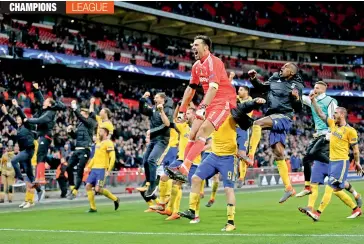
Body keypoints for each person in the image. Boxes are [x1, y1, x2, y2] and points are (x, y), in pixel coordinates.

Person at [179, 97, 266, 231]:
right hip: (213, 156)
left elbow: (244, 111)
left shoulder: (233, 115)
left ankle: (231, 222)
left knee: (228, 189)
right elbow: (200, 111)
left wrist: (254, 102)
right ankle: (192, 210)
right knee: (195, 178)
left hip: (228, 158)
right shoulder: (213, 115)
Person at [167, 35, 236, 183]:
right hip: (209, 101)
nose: (193, 47)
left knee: (203, 132)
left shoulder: (214, 62)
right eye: (193, 45)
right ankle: (182, 167)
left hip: (223, 102)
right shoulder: (196, 66)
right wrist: (182, 110)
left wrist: (203, 107)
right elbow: (191, 88)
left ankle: (184, 169)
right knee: (192, 134)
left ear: (206, 47)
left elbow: (213, 87)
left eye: (196, 44)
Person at [242, 64, 304, 203]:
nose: (281, 68)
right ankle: (289, 188)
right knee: (278, 154)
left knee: (257, 123)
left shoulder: (297, 85)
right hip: (273, 115)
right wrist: (253, 79)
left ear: (292, 72)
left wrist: (296, 99)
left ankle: (250, 156)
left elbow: (299, 108)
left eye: (285, 67)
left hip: (284, 117)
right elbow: (263, 87)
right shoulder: (275, 77)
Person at [296, 81, 361, 204]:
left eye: (317, 88)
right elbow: (303, 99)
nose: (314, 89)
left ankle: (309, 189)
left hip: (327, 135)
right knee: (309, 160)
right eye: (314, 87)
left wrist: (330, 134)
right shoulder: (312, 100)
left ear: (323, 90)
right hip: (318, 135)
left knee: (310, 155)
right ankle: (354, 195)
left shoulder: (330, 101)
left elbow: (332, 120)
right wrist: (292, 92)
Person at [304, 95, 362, 221]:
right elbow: (320, 114)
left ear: (342, 115)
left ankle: (317, 214)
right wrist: (313, 101)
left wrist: (357, 163)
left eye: (335, 113)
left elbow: (356, 150)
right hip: (332, 161)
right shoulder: (332, 124)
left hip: (341, 162)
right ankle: (356, 206)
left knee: (330, 186)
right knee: (337, 189)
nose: (333, 115)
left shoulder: (350, 131)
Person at [153, 106, 202, 222]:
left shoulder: (201, 128)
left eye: (188, 113)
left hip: (193, 162)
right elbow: (168, 123)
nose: (186, 115)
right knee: (165, 177)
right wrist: (161, 111)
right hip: (181, 160)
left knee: (194, 187)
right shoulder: (183, 127)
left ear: (195, 115)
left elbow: (210, 143)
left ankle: (195, 214)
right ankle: (166, 206)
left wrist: (198, 148)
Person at [2, 100, 44, 205]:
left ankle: (20, 179)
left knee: (14, 161)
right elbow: (11, 121)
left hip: (28, 150)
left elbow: (22, 114)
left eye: (19, 118)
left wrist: (16, 106)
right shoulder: (18, 127)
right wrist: (6, 113)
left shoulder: (27, 125)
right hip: (24, 152)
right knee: (30, 175)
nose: (17, 119)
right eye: (17, 119)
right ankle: (39, 190)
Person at [25, 83, 66, 184]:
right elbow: (41, 98)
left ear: (50, 104)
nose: (43, 102)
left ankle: (41, 178)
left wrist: (28, 120)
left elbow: (39, 120)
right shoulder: (47, 109)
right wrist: (36, 89)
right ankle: (39, 178)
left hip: (46, 135)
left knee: (41, 155)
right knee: (40, 155)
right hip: (43, 135)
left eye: (46, 101)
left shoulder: (50, 113)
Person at [138, 92, 173, 197]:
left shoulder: (168, 109)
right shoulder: (153, 109)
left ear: (162, 99)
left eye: (157, 97)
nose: (154, 98)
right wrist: (143, 99)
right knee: (145, 161)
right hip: (154, 139)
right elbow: (142, 110)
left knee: (151, 160)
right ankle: (149, 182)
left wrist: (151, 131)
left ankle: (153, 185)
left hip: (162, 139)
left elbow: (167, 125)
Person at [66, 99, 97, 199]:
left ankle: (75, 191)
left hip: (85, 149)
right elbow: (75, 136)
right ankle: (71, 186)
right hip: (77, 149)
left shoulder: (90, 122)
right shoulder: (80, 124)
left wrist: (75, 108)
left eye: (82, 113)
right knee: (68, 167)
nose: (80, 115)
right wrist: (70, 132)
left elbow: (80, 116)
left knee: (80, 170)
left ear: (87, 115)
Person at [85, 126, 120, 213]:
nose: (99, 133)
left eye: (100, 131)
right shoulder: (98, 143)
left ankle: (115, 199)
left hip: (102, 170)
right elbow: (94, 157)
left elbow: (112, 157)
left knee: (98, 189)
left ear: (105, 133)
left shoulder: (108, 143)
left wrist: (109, 170)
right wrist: (88, 166)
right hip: (94, 169)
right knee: (88, 186)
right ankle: (93, 208)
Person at [236, 85, 253, 188]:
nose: (238, 92)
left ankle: (241, 178)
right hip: (233, 129)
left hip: (243, 129)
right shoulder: (237, 98)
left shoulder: (250, 102)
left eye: (241, 90)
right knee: (235, 154)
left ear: (246, 92)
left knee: (242, 153)